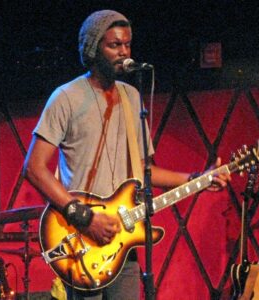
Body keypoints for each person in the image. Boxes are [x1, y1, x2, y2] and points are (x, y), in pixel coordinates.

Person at [23, 9, 230, 300]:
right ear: (94, 49)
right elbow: (33, 168)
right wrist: (82, 217)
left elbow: (145, 170)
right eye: (114, 45)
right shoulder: (66, 97)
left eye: (127, 44)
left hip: (124, 244)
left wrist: (197, 178)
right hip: (82, 241)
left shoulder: (132, 97)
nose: (123, 52)